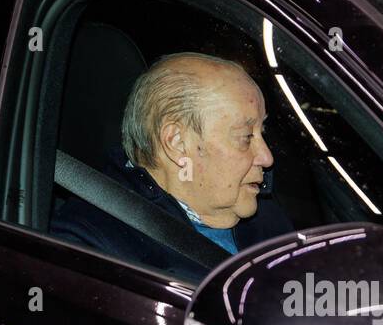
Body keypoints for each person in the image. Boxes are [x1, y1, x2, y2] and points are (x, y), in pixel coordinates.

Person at [52, 52, 294, 275]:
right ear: (177, 143)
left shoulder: (267, 215)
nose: (267, 157)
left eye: (262, 133)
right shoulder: (92, 246)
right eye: (245, 137)